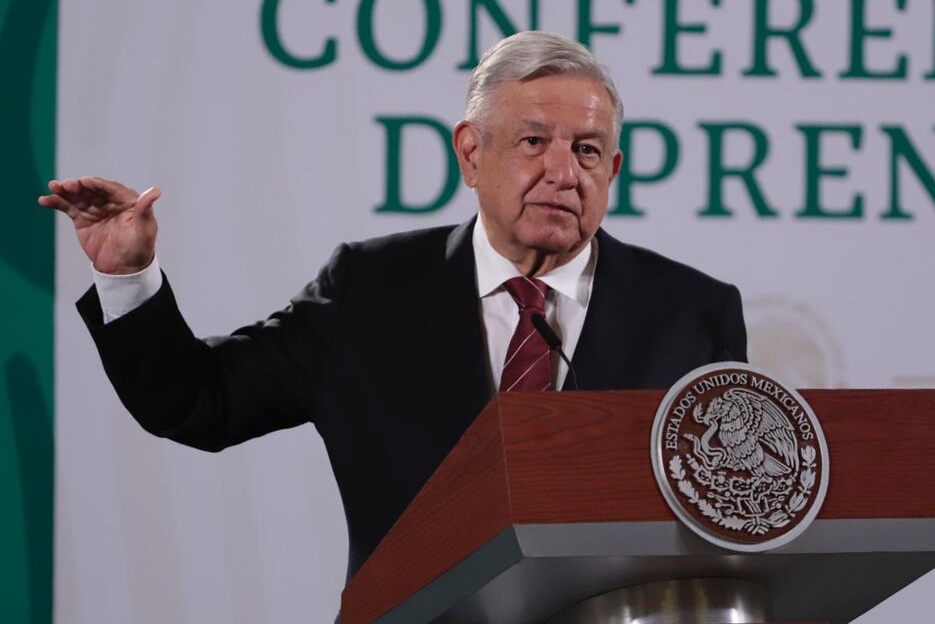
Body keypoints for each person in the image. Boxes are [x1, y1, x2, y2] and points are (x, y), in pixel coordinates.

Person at [39, 31, 746, 579]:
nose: (564, 173)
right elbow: (197, 401)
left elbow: (728, 515)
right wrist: (130, 277)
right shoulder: (369, 292)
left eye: (588, 151)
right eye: (534, 142)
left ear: (613, 170)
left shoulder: (692, 313)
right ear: (470, 153)